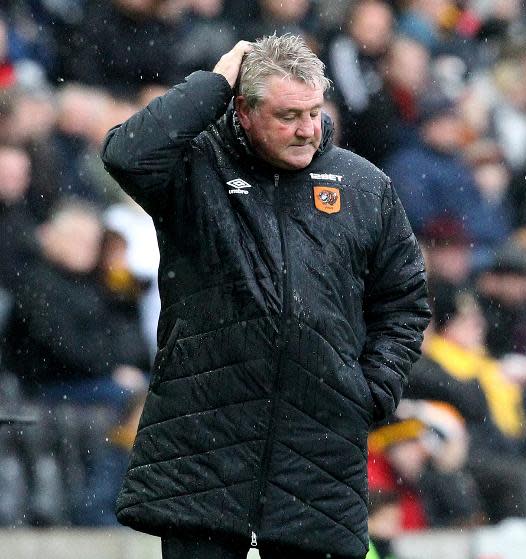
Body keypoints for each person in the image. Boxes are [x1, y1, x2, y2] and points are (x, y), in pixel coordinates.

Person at [100, 35, 430, 559]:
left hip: (318, 455)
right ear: (244, 110)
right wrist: (215, 81)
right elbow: (126, 154)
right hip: (205, 446)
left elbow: (405, 301)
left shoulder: (363, 186)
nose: (307, 129)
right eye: (287, 115)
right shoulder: (196, 166)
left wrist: (367, 391)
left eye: (314, 112)